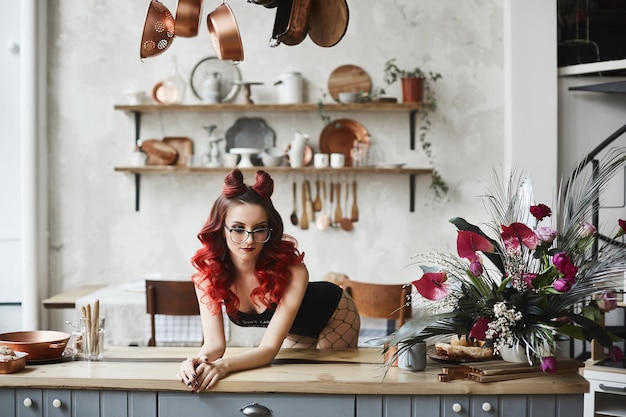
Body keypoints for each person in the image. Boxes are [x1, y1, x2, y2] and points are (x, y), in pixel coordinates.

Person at [177, 169, 360, 392]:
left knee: (328, 386)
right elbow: (214, 344)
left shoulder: (294, 271)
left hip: (336, 314)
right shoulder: (207, 276)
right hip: (297, 328)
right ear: (221, 230)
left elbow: (269, 349)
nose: (249, 240)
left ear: (270, 230)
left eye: (259, 229)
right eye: (238, 229)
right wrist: (199, 361)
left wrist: (223, 366)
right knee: (294, 385)